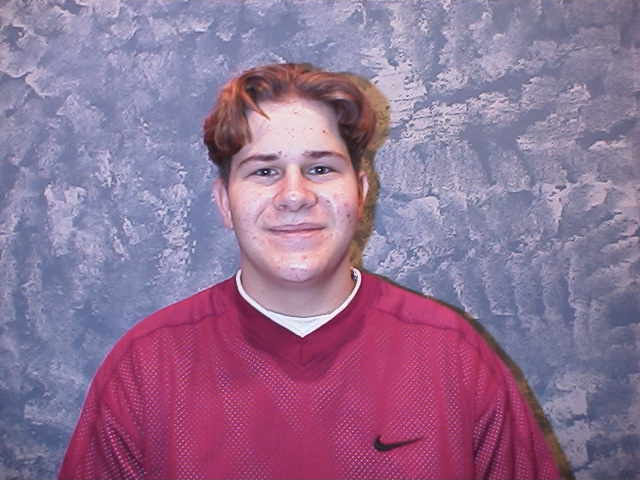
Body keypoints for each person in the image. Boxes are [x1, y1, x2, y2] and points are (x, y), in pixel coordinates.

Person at [59, 63, 560, 480]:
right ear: (224, 202)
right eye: (264, 171)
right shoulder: (146, 366)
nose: (295, 196)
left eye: (320, 168)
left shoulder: (453, 355)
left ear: (361, 192)